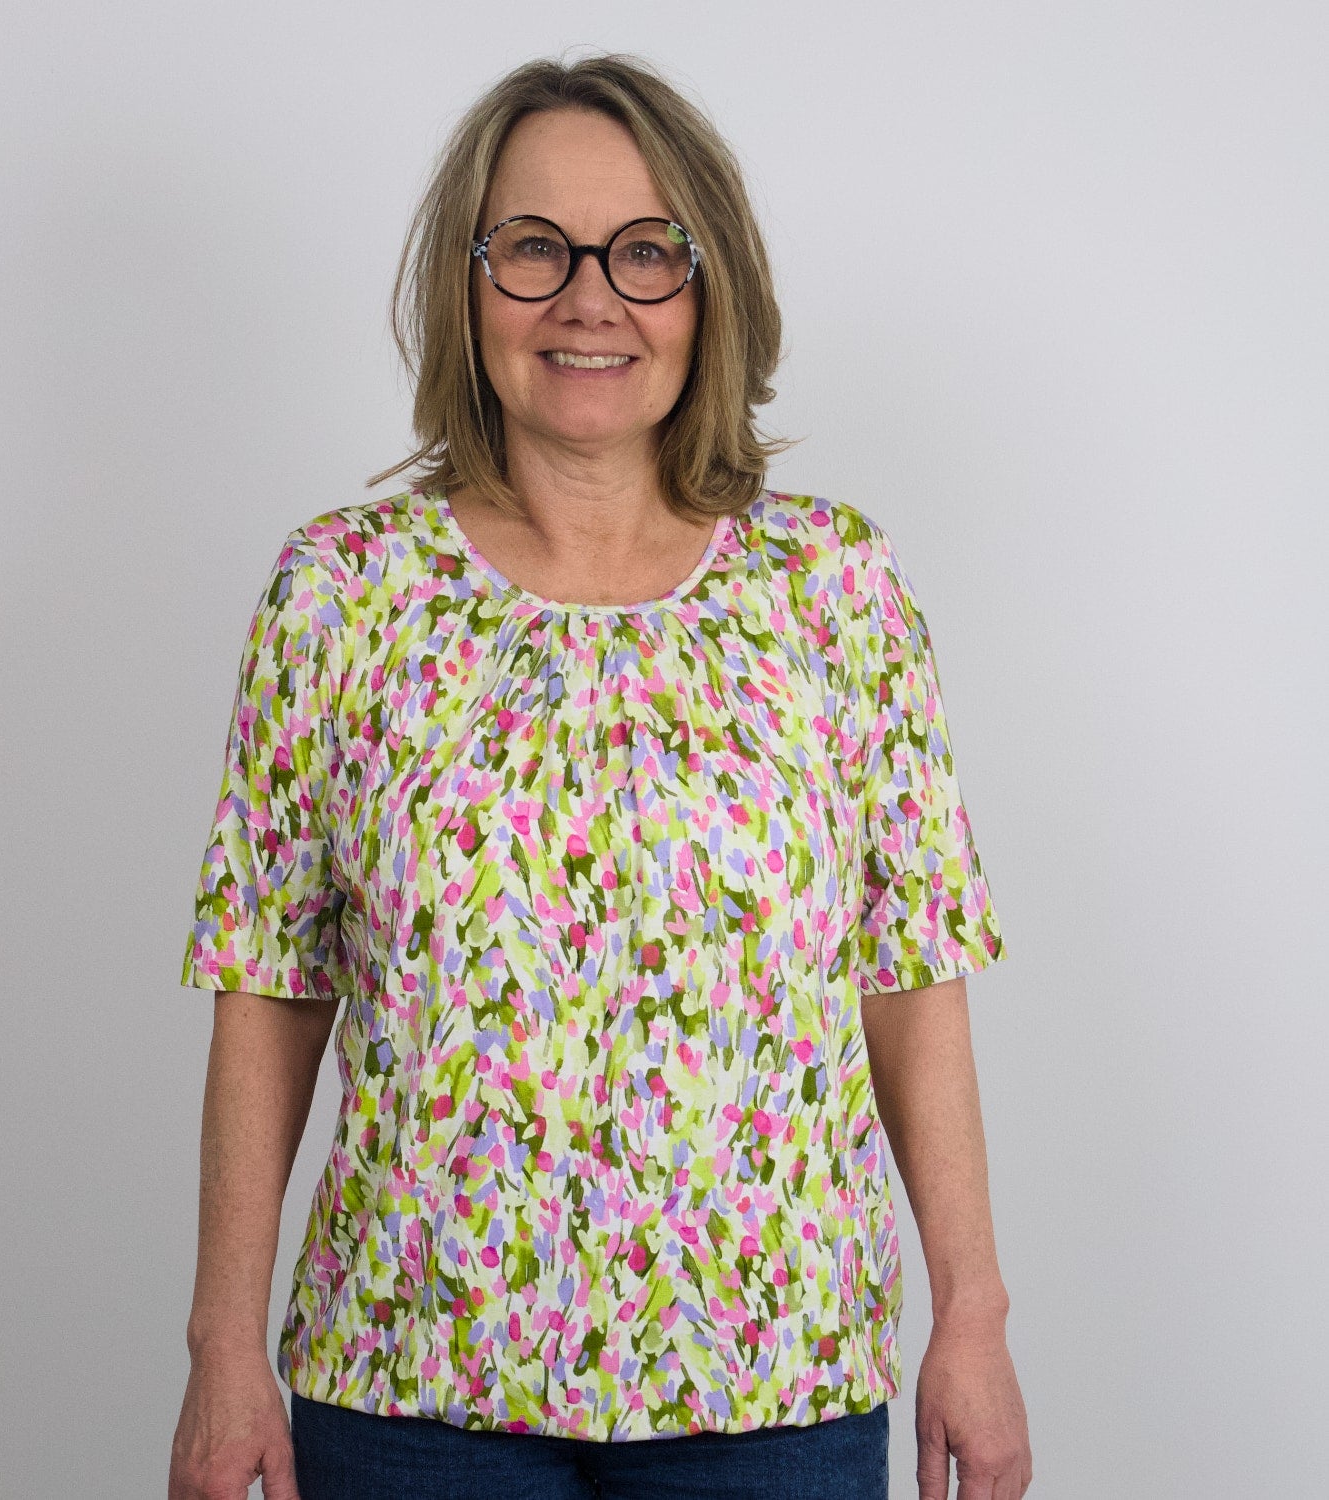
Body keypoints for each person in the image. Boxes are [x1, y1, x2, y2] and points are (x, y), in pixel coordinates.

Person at [168, 52, 1032, 1500]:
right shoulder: (341, 594)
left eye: (645, 252)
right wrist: (219, 1349)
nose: (589, 300)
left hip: (775, 1382)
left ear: (710, 286)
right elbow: (269, 982)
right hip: (412, 1383)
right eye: (533, 248)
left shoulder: (833, 588)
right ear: (467, 285)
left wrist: (975, 1316)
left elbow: (910, 970)